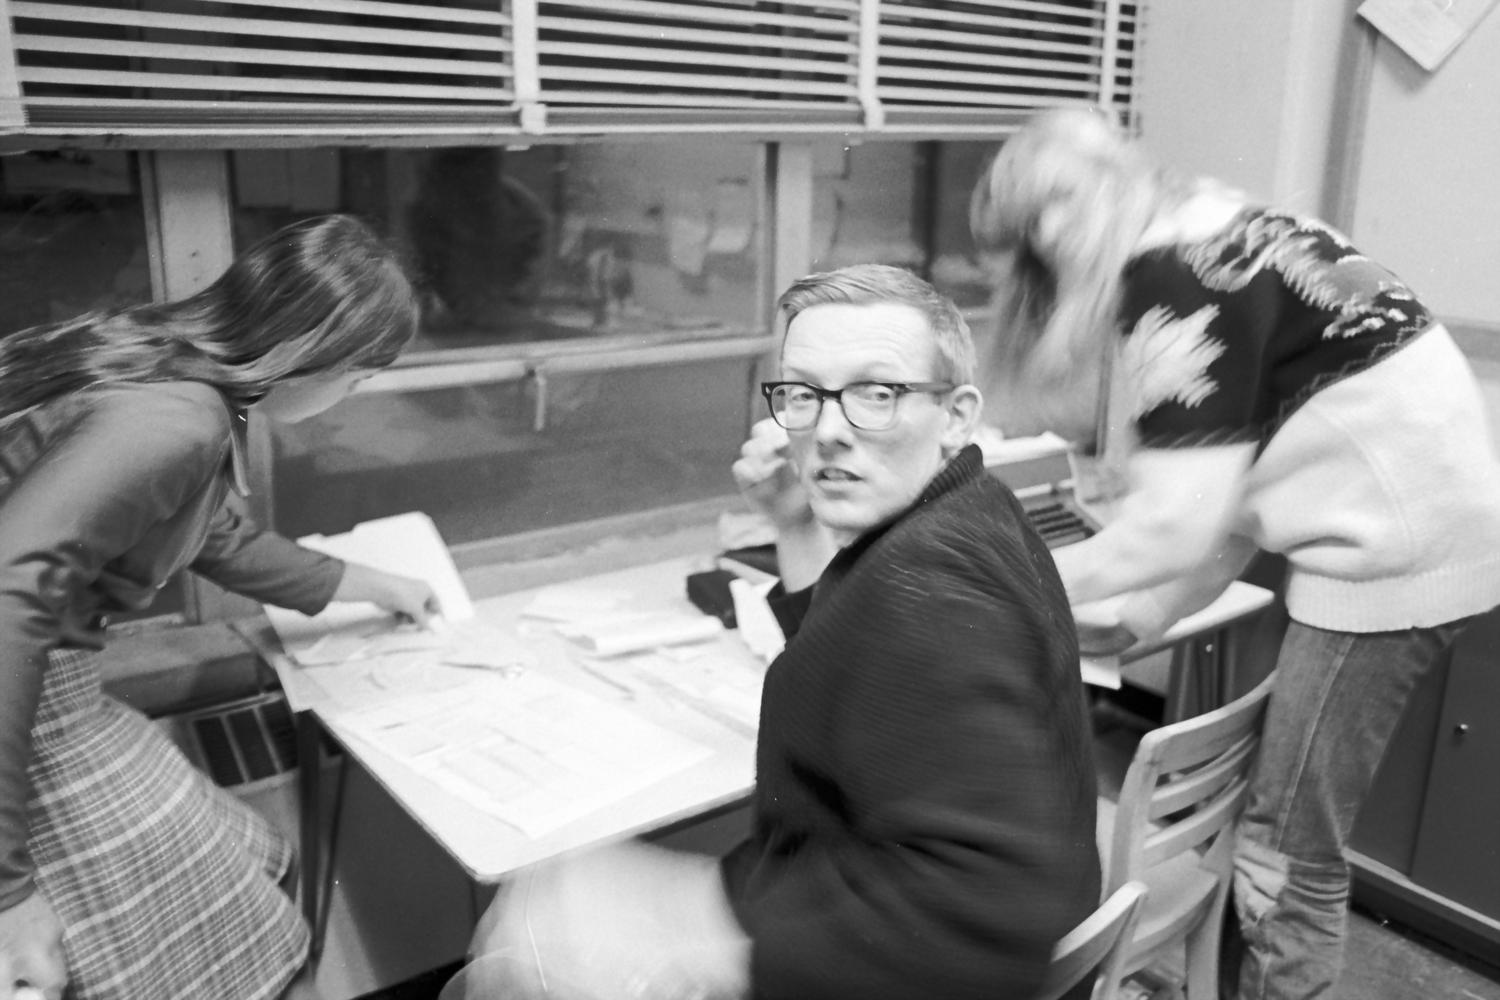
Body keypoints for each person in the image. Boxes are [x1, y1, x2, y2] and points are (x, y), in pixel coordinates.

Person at [440, 263, 1100, 1000]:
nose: (828, 432)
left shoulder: (928, 595)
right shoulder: (973, 508)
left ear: (956, 415)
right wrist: (793, 524)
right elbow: (859, 660)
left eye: (877, 394)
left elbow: (988, 904)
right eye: (804, 394)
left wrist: (690, 926)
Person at [968, 106, 1500, 1000]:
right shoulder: (1217, 223)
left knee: (1282, 861)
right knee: (1282, 841)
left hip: (1393, 557)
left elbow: (1176, 527)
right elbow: (1233, 506)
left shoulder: (1176, 275)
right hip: (1421, 530)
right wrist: (1141, 619)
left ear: (1064, 226)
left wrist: (997, 582)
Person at [0, 214, 446, 1000]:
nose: (350, 396)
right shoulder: (176, 420)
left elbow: (213, 535)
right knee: (247, 929)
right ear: (318, 353)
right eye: (358, 377)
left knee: (254, 858)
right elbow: (6, 600)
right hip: (30, 707)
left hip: (49, 691)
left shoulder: (160, 363)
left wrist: (374, 585)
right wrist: (8, 894)